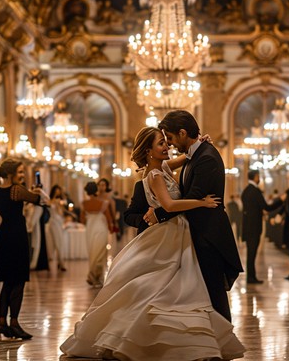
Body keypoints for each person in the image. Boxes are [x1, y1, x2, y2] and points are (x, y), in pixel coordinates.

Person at [60, 126, 245, 360]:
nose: (167, 146)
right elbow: (168, 206)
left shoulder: (164, 167)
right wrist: (201, 202)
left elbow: (186, 156)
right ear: (149, 151)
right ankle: (141, 338)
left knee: (176, 287)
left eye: (167, 142)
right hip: (166, 236)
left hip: (177, 234)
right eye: (161, 143)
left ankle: (167, 340)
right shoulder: (155, 175)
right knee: (162, 286)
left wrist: (199, 143)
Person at [148, 110, 242, 321]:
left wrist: (159, 214)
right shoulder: (197, 154)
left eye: (170, 138)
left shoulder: (206, 158)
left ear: (182, 133)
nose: (170, 144)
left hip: (209, 235)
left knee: (214, 292)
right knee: (204, 293)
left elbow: (194, 197)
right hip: (198, 233)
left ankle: (222, 342)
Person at [0, 158, 44, 340]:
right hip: (17, 236)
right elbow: (41, 201)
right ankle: (14, 323)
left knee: (8, 282)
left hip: (3, 235)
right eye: (20, 172)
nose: (22, 175)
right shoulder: (17, 190)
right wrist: (38, 191)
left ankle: (1, 323)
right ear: (10, 173)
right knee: (18, 281)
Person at [241, 169, 284, 284]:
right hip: (254, 227)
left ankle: (251, 276)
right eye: (258, 176)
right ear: (255, 177)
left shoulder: (246, 191)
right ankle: (251, 277)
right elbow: (267, 207)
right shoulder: (255, 191)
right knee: (252, 253)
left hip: (248, 226)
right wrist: (280, 200)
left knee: (251, 253)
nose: (259, 178)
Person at [80, 181, 114, 287]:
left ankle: (92, 276)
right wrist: (111, 228)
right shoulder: (103, 203)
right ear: (96, 191)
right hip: (101, 229)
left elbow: (82, 221)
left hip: (90, 230)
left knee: (92, 253)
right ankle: (97, 278)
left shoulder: (83, 204)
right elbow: (109, 219)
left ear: (86, 192)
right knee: (100, 254)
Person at [46, 184, 68, 272]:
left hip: (58, 221)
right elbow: (48, 205)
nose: (57, 192)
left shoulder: (60, 201)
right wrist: (54, 200)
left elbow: (61, 212)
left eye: (59, 191)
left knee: (59, 242)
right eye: (56, 191)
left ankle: (61, 262)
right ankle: (49, 261)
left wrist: (58, 203)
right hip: (52, 221)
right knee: (50, 243)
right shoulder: (50, 200)